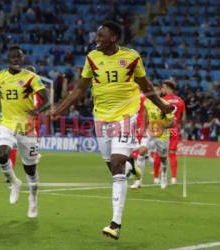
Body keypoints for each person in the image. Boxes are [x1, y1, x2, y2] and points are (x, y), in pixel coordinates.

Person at [51, 21, 174, 240]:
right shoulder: (92, 58)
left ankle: (115, 223)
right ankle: (131, 164)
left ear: (114, 38)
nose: (97, 39)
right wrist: (59, 109)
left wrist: (162, 105)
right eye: (97, 36)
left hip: (126, 115)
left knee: (116, 162)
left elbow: (145, 86)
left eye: (101, 36)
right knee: (111, 164)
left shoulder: (132, 57)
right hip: (101, 117)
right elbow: (80, 89)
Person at [0, 46, 48, 218]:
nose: (16, 59)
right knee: (2, 154)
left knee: (30, 169)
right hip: (8, 123)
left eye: (19, 57)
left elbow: (46, 98)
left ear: (22, 59)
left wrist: (37, 110)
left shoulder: (31, 77)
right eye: (12, 57)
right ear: (8, 60)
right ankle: (14, 182)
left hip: (27, 127)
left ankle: (33, 198)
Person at [130, 85, 175, 189]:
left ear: (159, 92)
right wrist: (143, 128)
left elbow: (172, 122)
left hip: (162, 135)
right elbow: (146, 114)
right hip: (149, 133)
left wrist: (162, 127)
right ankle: (138, 181)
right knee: (141, 152)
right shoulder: (147, 102)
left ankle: (163, 176)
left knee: (163, 159)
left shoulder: (165, 104)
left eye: (155, 90)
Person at [153, 80, 186, 184]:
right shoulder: (180, 100)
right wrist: (182, 128)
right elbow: (184, 118)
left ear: (167, 88)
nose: (162, 89)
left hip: (164, 129)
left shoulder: (162, 100)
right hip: (174, 130)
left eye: (163, 87)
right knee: (172, 153)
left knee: (159, 153)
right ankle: (173, 178)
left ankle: (156, 177)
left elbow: (157, 115)